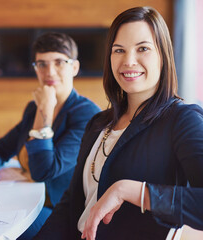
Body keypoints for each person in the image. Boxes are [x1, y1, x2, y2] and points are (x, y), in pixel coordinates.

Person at [33, 7, 203, 240]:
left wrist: (132, 191)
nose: (128, 61)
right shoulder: (98, 122)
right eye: (119, 50)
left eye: (143, 48)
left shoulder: (183, 119)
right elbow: (71, 203)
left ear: (163, 56)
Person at [0, 32, 101, 239]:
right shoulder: (33, 108)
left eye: (59, 62)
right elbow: (1, 148)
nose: (49, 71)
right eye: (41, 64)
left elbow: (44, 170)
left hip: (61, 211)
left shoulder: (86, 114)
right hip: (25, 199)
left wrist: (45, 112)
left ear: (74, 67)